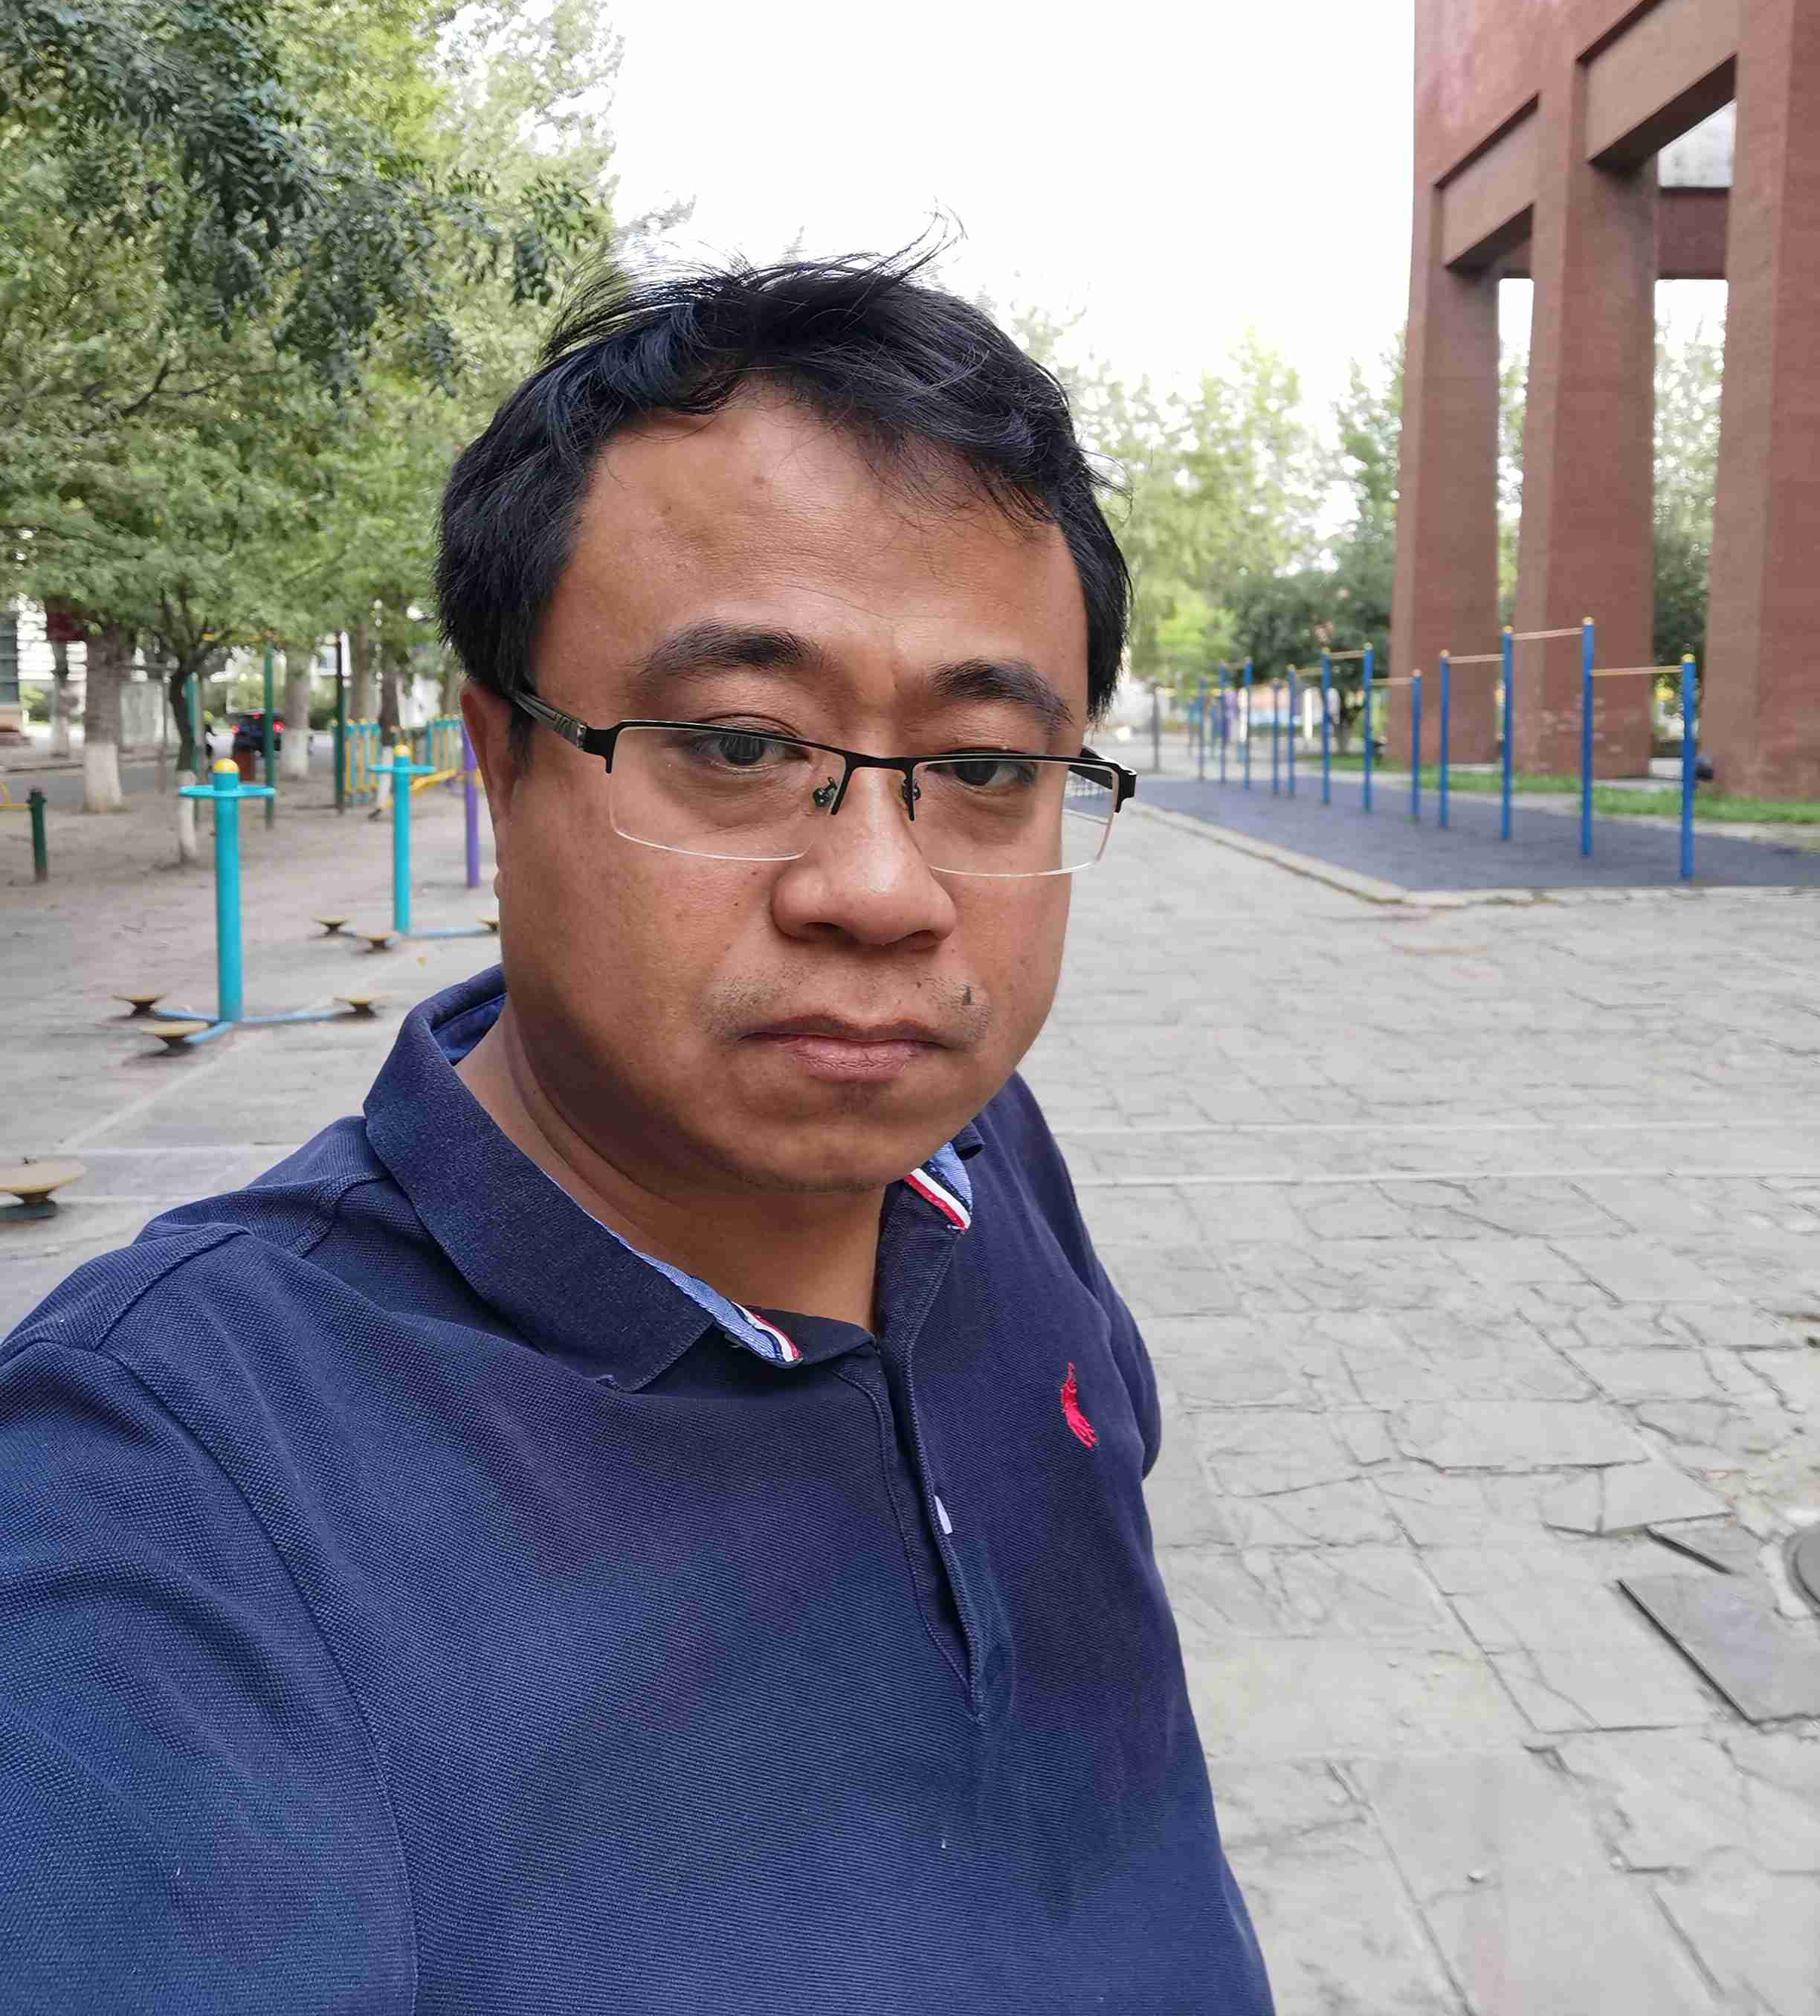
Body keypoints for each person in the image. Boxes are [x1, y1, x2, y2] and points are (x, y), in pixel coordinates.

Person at [0, 253, 1274, 2014]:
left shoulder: (982, 1161)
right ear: (497, 763)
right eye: (739, 745)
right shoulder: (176, 1494)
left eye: (987, 770)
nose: (883, 891)